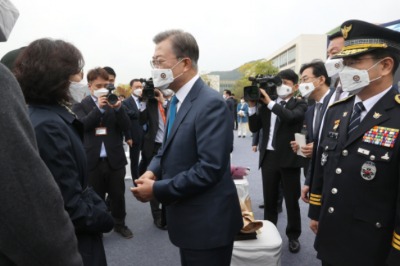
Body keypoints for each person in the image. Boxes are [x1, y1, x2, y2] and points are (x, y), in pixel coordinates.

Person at [132, 29, 243, 266]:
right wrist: (152, 171)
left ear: (184, 64)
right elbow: (166, 148)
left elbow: (209, 168)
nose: (154, 68)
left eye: (159, 61)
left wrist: (157, 189)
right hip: (189, 218)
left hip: (207, 224)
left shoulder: (210, 103)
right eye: (153, 62)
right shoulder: (177, 101)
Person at [14, 38, 114, 266]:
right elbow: (68, 203)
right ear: (57, 78)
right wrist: (104, 217)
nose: (80, 80)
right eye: (76, 74)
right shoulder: (49, 125)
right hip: (74, 245)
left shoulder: (45, 115)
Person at [308, 20, 400, 266]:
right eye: (344, 63)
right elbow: (325, 162)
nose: (345, 70)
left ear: (385, 66)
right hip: (332, 233)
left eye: (355, 62)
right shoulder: (338, 110)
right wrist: (316, 211)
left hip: (372, 246)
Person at [248, 69, 307, 253]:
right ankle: (268, 233)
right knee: (270, 199)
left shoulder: (300, 103)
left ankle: (293, 236)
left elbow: (289, 117)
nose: (280, 87)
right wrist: (252, 106)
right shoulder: (266, 105)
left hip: (289, 158)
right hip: (269, 157)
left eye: (285, 83)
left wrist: (270, 103)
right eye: (278, 83)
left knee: (291, 201)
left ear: (295, 86)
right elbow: (254, 127)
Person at [72, 67, 133, 239]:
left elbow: (126, 126)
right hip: (92, 160)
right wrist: (98, 108)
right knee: (95, 196)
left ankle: (120, 224)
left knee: (118, 196)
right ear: (90, 86)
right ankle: (97, 228)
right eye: (99, 85)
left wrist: (119, 108)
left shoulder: (115, 102)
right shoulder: (81, 105)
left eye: (106, 85)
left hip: (114, 158)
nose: (103, 88)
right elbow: (82, 126)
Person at [290, 60, 334, 203]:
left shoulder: (341, 103)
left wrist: (319, 147)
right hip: (316, 173)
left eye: (305, 79)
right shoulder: (310, 111)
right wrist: (304, 148)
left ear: (321, 79)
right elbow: (313, 142)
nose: (302, 85)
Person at [138, 88, 168, 229]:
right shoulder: (149, 104)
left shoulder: (171, 104)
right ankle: (157, 215)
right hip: (153, 146)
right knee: (153, 180)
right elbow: (140, 120)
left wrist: (162, 100)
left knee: (168, 179)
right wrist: (144, 100)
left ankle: (167, 213)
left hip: (170, 146)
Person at [123, 78, 145, 181]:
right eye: (136, 87)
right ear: (131, 88)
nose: (139, 89)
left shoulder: (146, 100)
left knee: (147, 158)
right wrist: (128, 137)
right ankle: (136, 181)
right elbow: (126, 120)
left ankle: (144, 176)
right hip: (134, 135)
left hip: (147, 135)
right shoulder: (126, 102)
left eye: (140, 87)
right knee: (134, 160)